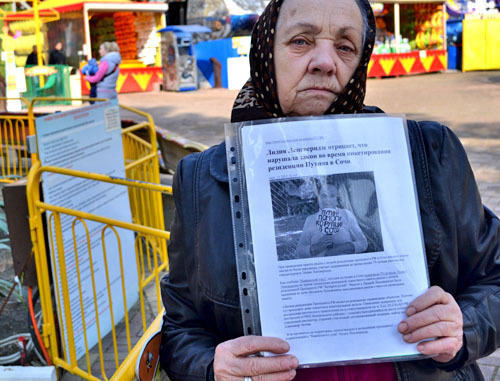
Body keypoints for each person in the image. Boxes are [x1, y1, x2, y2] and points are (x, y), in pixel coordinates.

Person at [159, 0, 500, 380]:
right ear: (265, 50)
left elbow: (494, 277)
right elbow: (180, 329)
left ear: (360, 61)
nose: (325, 61)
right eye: (302, 41)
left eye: (345, 46)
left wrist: (462, 326)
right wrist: (213, 368)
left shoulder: (428, 153)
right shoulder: (202, 178)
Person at [295, 183, 367, 258]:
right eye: (323, 196)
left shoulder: (346, 215)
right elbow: (299, 252)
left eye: (332, 196)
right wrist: (318, 246)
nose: (327, 199)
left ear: (337, 199)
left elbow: (363, 243)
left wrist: (338, 249)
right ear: (318, 198)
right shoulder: (310, 219)